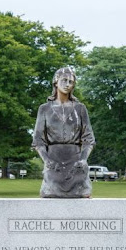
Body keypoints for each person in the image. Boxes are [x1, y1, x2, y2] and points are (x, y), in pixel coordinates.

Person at [32, 67, 95, 198]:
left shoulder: (80, 108)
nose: (67, 85)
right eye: (64, 80)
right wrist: (47, 160)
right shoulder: (44, 109)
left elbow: (89, 139)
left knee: (81, 184)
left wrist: (83, 159)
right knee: (52, 184)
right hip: (54, 160)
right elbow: (38, 140)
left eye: (71, 82)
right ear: (56, 81)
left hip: (75, 159)